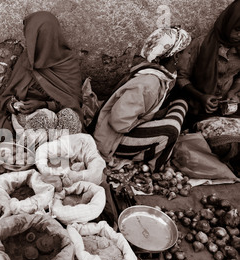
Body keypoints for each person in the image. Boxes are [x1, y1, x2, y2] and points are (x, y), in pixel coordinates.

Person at [91, 27, 192, 172]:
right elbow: (118, 123)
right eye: (188, 52)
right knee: (171, 130)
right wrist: (151, 118)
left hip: (125, 128)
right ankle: (153, 168)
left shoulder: (163, 76)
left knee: (180, 103)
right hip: (113, 140)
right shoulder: (149, 84)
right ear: (176, 57)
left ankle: (153, 150)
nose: (190, 56)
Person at [0, 11, 84, 147]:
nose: (29, 44)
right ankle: (41, 156)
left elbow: (74, 102)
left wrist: (45, 105)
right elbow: (6, 97)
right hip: (30, 118)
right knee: (43, 117)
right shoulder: (26, 60)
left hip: (58, 115)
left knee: (69, 116)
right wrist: (13, 105)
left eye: (33, 39)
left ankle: (60, 154)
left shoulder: (68, 63)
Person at [176, 0, 240, 175]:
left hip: (226, 112)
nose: (239, 35)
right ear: (227, 23)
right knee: (227, 144)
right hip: (198, 111)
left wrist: (234, 93)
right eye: (237, 29)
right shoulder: (202, 44)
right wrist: (201, 97)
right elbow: (181, 77)